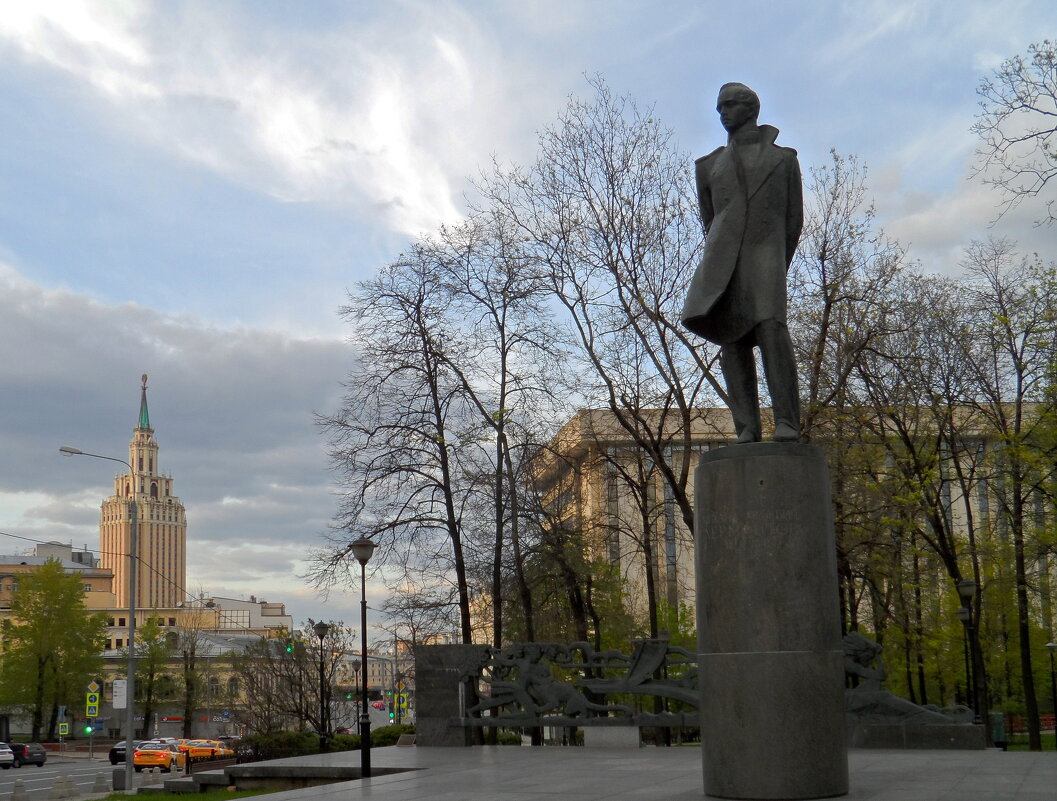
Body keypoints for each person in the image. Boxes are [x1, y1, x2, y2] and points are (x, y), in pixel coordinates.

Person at [682, 82, 803, 443]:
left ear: (750, 109)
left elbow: (793, 220)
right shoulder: (708, 166)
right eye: (719, 108)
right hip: (724, 257)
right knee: (730, 338)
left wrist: (776, 261)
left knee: (771, 328)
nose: (723, 113)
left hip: (767, 252)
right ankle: (746, 428)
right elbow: (710, 220)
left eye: (730, 106)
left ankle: (787, 422)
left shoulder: (784, 159)